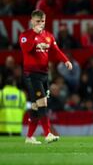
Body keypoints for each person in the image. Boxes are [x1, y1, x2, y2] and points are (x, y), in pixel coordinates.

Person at [19, 9, 73, 144]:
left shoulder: (48, 36)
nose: (40, 24)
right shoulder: (25, 36)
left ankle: (29, 137)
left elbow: (56, 51)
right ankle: (48, 133)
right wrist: (35, 35)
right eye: (38, 21)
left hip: (44, 75)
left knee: (37, 107)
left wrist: (66, 60)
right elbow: (27, 49)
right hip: (31, 75)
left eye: (43, 21)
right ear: (32, 21)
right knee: (43, 103)